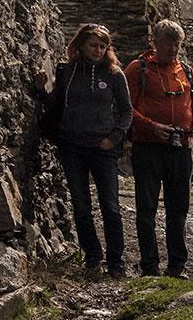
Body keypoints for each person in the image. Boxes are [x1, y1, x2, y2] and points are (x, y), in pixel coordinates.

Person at [47, 23, 132, 278]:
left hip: (102, 148)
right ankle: (92, 257)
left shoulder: (114, 74)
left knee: (110, 206)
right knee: (81, 205)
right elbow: (55, 104)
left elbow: (126, 111)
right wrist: (40, 90)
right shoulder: (67, 71)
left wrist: (114, 138)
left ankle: (116, 262)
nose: (98, 50)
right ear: (81, 45)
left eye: (102, 46)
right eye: (93, 45)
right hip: (71, 146)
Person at [124, 20, 193, 277]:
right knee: (146, 208)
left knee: (178, 209)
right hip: (147, 147)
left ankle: (177, 266)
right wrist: (151, 127)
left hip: (180, 148)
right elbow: (125, 108)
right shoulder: (138, 69)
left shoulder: (187, 72)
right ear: (155, 42)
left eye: (177, 45)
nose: (173, 50)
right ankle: (149, 266)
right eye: (168, 44)